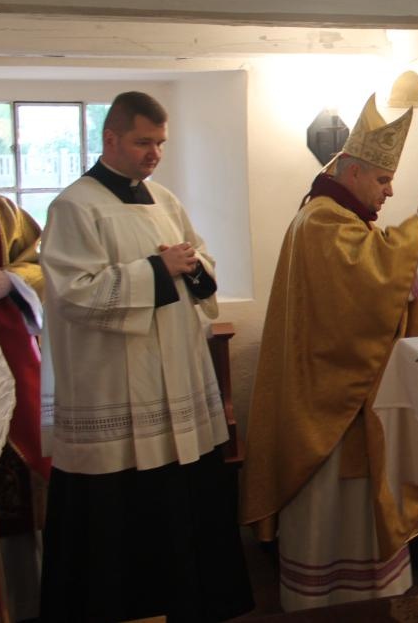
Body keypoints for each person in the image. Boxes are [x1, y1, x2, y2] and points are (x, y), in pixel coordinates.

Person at [39, 91, 252, 622]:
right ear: (110, 138)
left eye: (160, 143)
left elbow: (198, 256)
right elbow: (72, 293)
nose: (154, 153)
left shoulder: (164, 200)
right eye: (142, 142)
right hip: (114, 385)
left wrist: (191, 266)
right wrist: (159, 270)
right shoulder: (74, 205)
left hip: (176, 374)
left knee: (184, 501)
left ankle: (193, 605)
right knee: (121, 516)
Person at [241, 95, 418, 610]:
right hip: (328, 413)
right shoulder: (322, 222)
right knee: (335, 528)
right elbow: (367, 291)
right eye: (383, 179)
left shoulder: (337, 218)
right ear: (352, 171)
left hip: (342, 402)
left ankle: (364, 605)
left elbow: (376, 278)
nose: (389, 191)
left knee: (353, 525)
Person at [0, 194, 47, 621]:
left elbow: (43, 261)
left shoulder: (2, 212)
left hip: (7, 353)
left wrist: (10, 281)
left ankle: (23, 603)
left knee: (18, 478)